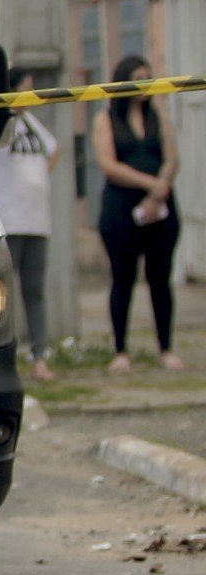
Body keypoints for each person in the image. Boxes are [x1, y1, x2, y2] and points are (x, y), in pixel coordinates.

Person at [92, 53, 183, 373]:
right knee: (123, 278)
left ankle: (166, 347)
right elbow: (108, 163)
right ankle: (121, 350)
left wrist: (161, 185)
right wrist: (148, 182)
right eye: (139, 77)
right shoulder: (105, 118)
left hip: (159, 208)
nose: (146, 84)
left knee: (160, 279)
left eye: (149, 77)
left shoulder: (158, 115)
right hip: (121, 208)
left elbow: (172, 156)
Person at [0, 68, 61, 382]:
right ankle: (1, 356)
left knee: (34, 291)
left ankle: (40, 355)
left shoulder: (31, 123)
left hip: (36, 220)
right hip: (8, 219)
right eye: (25, 89)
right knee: (2, 294)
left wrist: (35, 181)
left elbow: (54, 149)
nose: (30, 96)